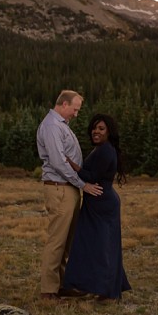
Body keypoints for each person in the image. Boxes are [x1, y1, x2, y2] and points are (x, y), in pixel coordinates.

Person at [36, 90, 103, 300]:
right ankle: (48, 290)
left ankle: (61, 283)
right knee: (58, 240)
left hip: (68, 188)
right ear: (64, 104)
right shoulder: (51, 127)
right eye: (75, 109)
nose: (76, 114)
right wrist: (81, 184)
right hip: (60, 188)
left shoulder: (60, 126)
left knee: (67, 240)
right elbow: (58, 162)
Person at [62, 113, 131, 301]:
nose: (96, 131)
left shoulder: (105, 150)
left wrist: (70, 164)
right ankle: (100, 288)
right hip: (98, 202)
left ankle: (107, 291)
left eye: (101, 129)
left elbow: (91, 176)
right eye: (94, 128)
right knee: (95, 245)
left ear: (109, 132)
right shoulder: (102, 149)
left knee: (101, 247)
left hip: (102, 203)